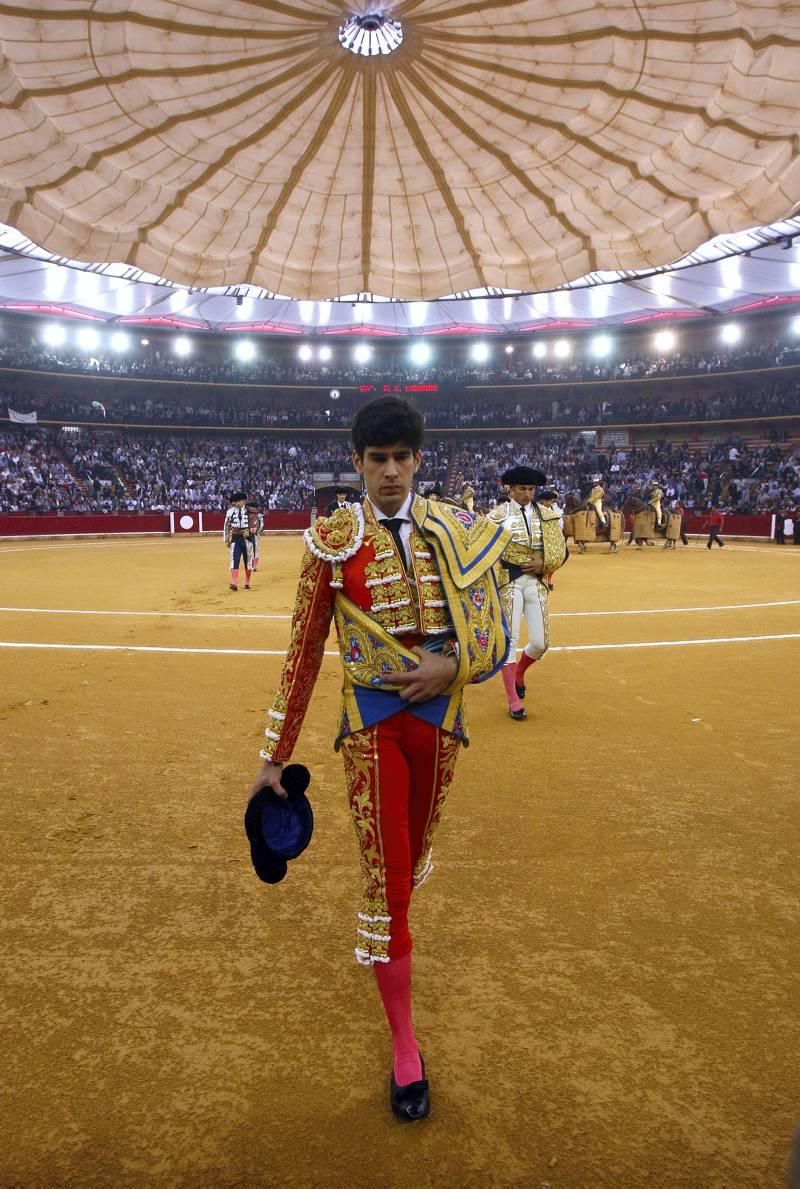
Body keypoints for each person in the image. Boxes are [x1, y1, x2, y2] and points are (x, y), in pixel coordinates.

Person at [247, 397, 511, 1121]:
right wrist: (275, 754)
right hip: (370, 726)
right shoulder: (332, 540)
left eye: (401, 457)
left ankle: (396, 963)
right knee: (389, 882)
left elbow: (494, 634)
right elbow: (303, 652)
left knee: (413, 858)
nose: (390, 471)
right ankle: (405, 1047)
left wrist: (449, 669)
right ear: (358, 462)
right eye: (376, 459)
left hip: (440, 725)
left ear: (418, 459)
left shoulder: (456, 528)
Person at [487, 466, 567, 720]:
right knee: (510, 642)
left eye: (531, 489)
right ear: (510, 489)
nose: (527, 494)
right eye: (522, 489)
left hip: (535, 581)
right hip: (508, 581)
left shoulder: (547, 515)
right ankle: (513, 700)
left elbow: (560, 550)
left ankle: (520, 672)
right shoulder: (496, 516)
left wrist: (544, 564)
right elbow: (483, 551)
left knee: (541, 643)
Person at [223, 491, 252, 590]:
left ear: (242, 501)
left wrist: (250, 532)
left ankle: (247, 582)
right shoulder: (230, 512)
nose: (235, 504)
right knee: (234, 559)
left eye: (237, 501)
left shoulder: (250, 511)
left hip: (247, 539)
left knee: (247, 561)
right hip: (235, 538)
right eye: (234, 502)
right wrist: (226, 539)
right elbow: (226, 526)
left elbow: (256, 525)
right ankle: (234, 582)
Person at [245, 500, 264, 573]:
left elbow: (261, 527)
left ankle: (252, 566)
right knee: (254, 551)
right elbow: (261, 527)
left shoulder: (247, 515)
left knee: (252, 551)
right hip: (252, 535)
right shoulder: (258, 515)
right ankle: (253, 566)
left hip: (252, 535)